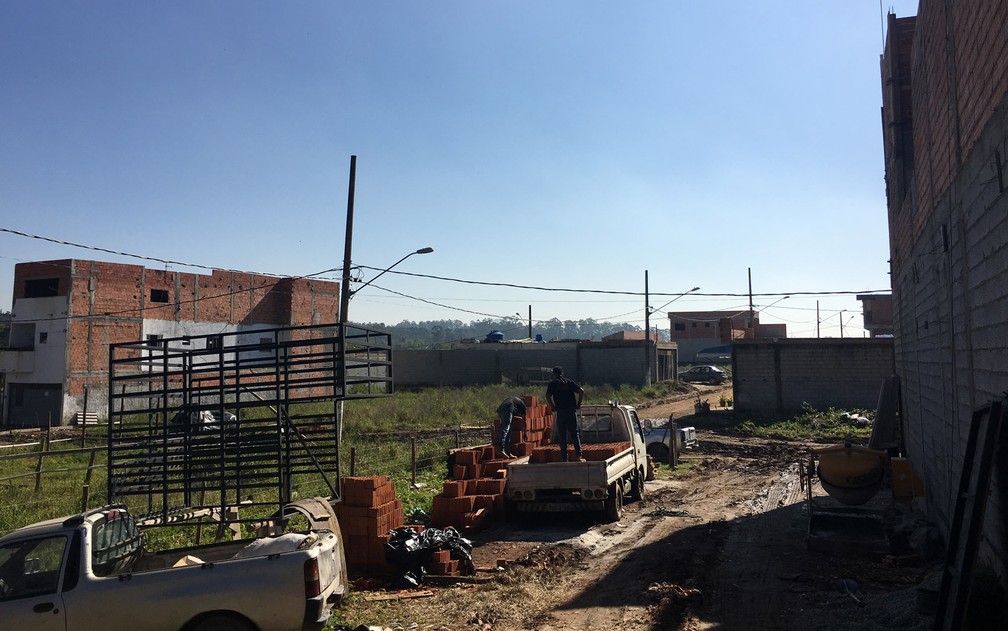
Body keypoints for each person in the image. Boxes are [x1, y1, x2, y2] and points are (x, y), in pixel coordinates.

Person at [545, 366, 585, 462]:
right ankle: (578, 456)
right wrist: (578, 403)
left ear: (554, 374)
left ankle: (564, 458)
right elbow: (581, 391)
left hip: (561, 411)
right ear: (562, 373)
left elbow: (547, 395)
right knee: (575, 433)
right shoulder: (569, 382)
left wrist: (552, 406)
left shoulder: (553, 384)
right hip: (571, 410)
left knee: (562, 435)